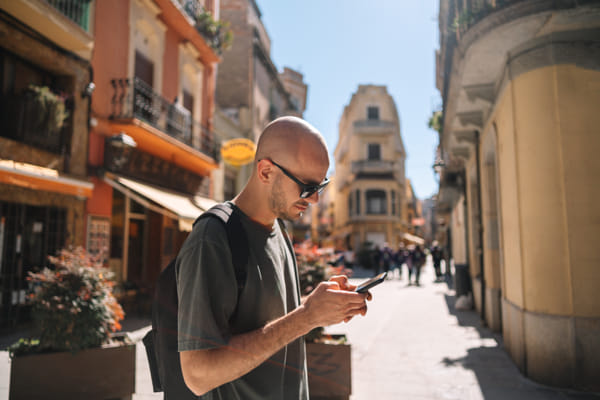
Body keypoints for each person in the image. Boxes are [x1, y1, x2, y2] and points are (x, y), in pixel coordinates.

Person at [175, 116, 371, 399]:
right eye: (307, 187)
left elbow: (264, 319)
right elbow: (197, 374)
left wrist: (321, 306)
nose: (315, 199)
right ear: (266, 171)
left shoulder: (278, 227)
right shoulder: (213, 239)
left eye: (321, 186)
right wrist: (307, 316)